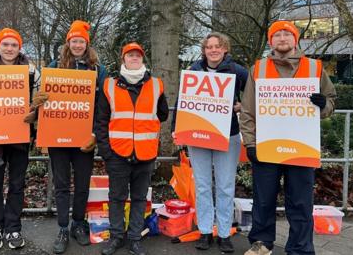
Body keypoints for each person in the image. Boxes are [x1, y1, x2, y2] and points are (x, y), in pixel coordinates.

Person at [240, 21, 336, 255]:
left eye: (287, 34)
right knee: (263, 200)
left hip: (301, 147)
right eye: (277, 35)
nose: (282, 38)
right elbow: (247, 110)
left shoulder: (315, 68)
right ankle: (262, 244)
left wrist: (324, 105)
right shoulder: (258, 69)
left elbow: (331, 101)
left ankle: (301, 249)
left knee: (301, 203)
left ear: (296, 39)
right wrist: (251, 144)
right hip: (266, 146)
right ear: (270, 41)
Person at [171, 32, 248, 253]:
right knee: (203, 186)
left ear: (225, 49)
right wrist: (177, 129)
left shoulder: (237, 70)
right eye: (209, 47)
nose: (213, 50)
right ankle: (205, 231)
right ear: (204, 50)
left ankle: (224, 233)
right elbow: (181, 101)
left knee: (225, 186)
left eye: (218, 46)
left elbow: (255, 93)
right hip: (198, 135)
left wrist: (242, 106)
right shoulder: (194, 71)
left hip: (228, 134)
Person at [96, 42, 169, 255]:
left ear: (142, 59)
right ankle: (117, 237)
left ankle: (135, 238)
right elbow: (101, 122)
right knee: (116, 197)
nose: (134, 58)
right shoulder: (109, 85)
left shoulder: (156, 85)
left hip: (145, 153)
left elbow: (162, 114)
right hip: (117, 153)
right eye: (130, 55)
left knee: (139, 198)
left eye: (137, 55)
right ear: (123, 59)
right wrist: (106, 153)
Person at [45, 20, 107, 254]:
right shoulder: (54, 65)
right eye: (74, 41)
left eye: (81, 41)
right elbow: (45, 100)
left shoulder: (97, 70)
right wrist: (40, 99)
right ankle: (62, 227)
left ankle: (78, 224)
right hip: (58, 137)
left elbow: (103, 106)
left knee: (82, 184)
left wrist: (95, 134)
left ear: (87, 43)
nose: (78, 45)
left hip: (84, 137)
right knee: (61, 184)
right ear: (68, 43)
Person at [0, 28, 47, 250]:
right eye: (6, 44)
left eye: (14, 45)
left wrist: (35, 110)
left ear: (20, 48)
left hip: (20, 136)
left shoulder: (31, 72)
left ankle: (13, 228)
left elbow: (40, 101)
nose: (9, 49)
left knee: (17, 184)